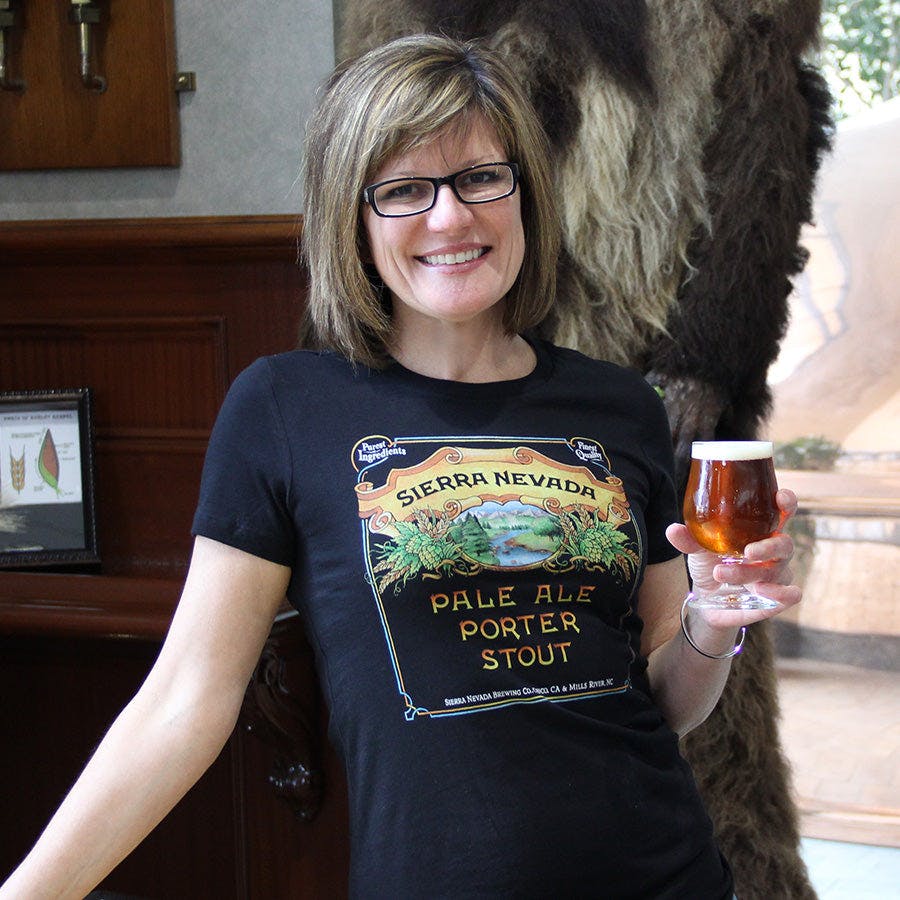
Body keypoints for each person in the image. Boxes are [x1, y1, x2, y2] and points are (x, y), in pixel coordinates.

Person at [1, 35, 802, 899]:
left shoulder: (619, 409)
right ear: (353, 214)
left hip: (668, 876)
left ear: (522, 193)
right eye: (405, 190)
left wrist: (712, 627)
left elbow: (663, 699)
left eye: (480, 178)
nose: (451, 217)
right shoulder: (283, 407)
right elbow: (185, 699)